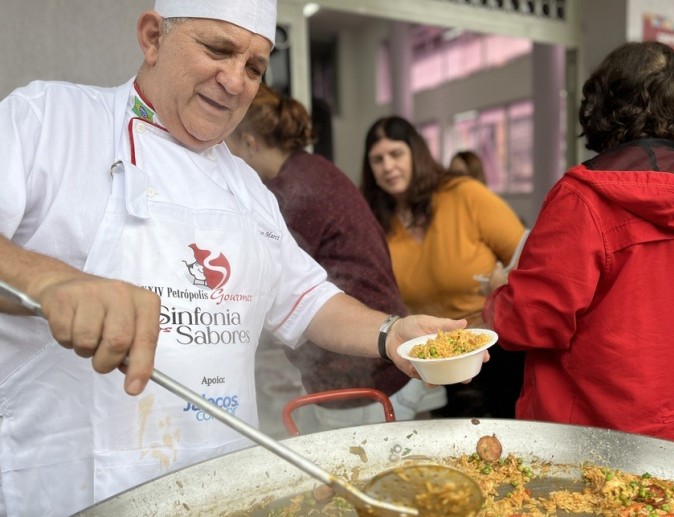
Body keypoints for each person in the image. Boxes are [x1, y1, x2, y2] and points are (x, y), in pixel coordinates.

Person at [0, 2, 470, 515]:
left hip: (226, 487)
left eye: (254, 67)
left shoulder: (247, 188)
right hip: (69, 485)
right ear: (153, 37)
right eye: (217, 50)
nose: (234, 81)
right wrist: (51, 281)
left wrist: (389, 333)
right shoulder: (50, 121)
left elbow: (307, 300)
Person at [484, 41, 674, 448]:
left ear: (600, 106)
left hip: (590, 434)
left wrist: (494, 299)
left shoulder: (582, 198)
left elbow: (532, 321)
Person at [225, 84, 446, 430]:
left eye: (230, 146)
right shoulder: (316, 170)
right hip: (384, 365)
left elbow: (269, 287)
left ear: (249, 142)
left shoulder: (286, 193)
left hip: (362, 376)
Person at [360, 116, 526, 418]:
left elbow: (526, 254)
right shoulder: (376, 222)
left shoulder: (463, 195)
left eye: (396, 154)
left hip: (490, 350)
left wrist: (503, 278)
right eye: (377, 159)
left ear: (416, 154)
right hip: (431, 358)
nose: (387, 166)